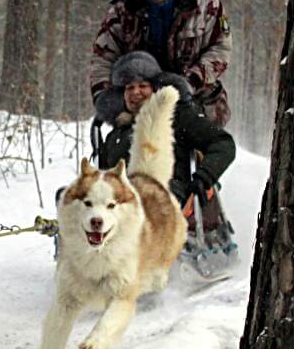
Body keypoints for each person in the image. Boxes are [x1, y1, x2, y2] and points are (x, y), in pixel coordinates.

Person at [93, 51, 237, 276]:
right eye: (129, 88)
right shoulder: (116, 137)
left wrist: (204, 176)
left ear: (155, 88)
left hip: (167, 193)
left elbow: (223, 144)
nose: (136, 93)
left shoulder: (177, 117)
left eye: (142, 86)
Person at [90, 0, 232, 126]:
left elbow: (221, 48)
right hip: (141, 102)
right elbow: (102, 57)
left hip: (196, 97)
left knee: (209, 145)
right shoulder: (123, 11)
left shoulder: (205, 5)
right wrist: (105, 96)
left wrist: (191, 82)